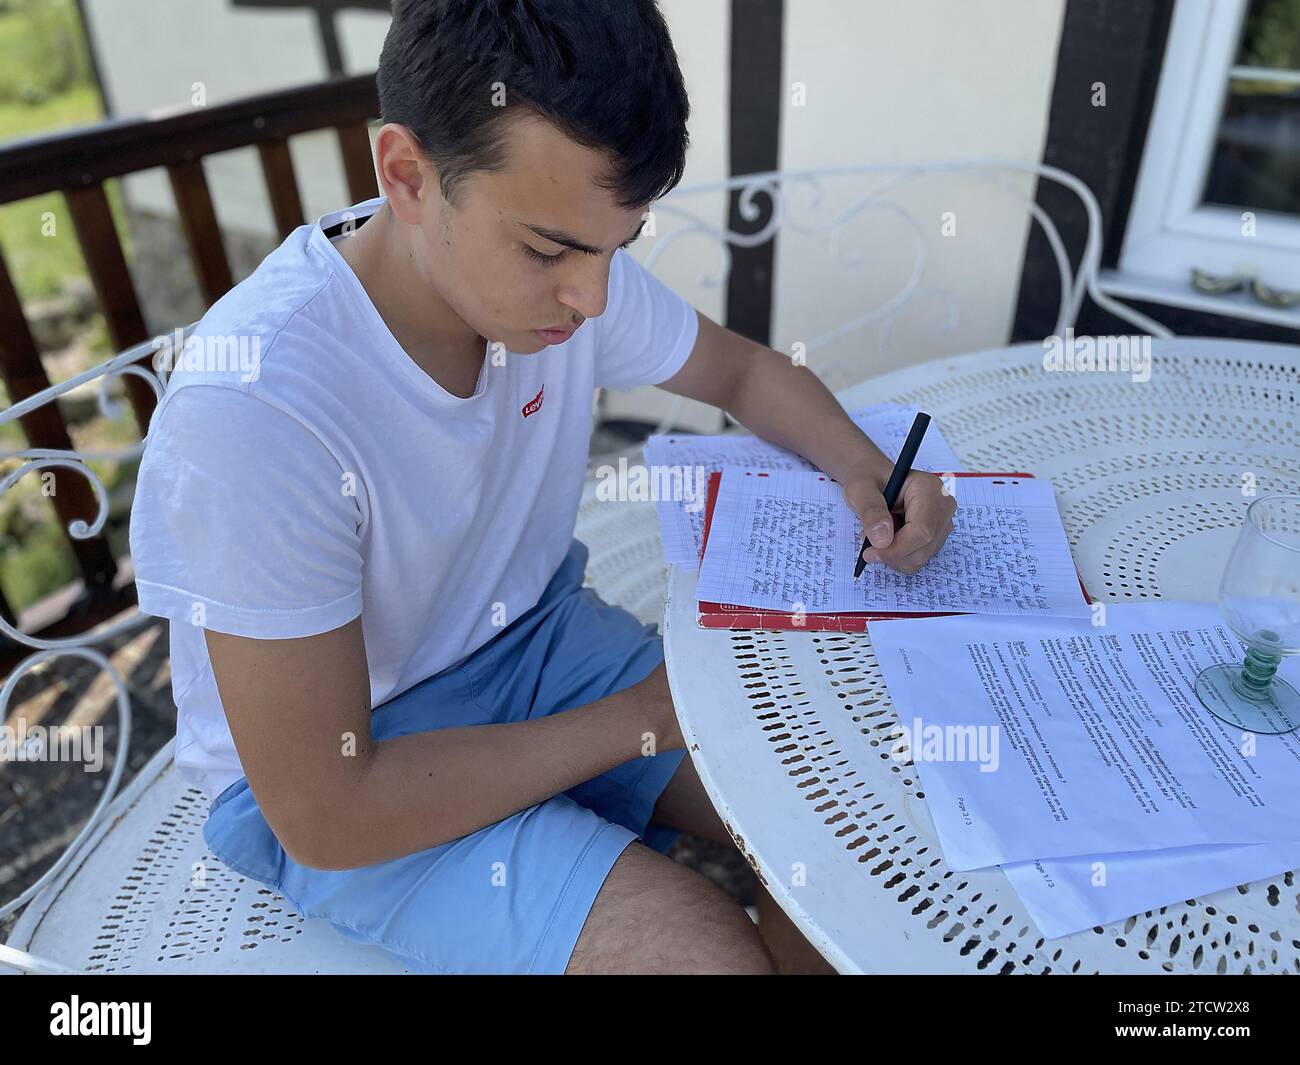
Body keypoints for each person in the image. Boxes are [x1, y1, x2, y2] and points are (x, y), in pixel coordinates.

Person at [128, 0, 956, 975]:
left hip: (534, 642)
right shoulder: (262, 407)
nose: (593, 298)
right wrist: (645, 716)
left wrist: (863, 468)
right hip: (346, 766)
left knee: (848, 826)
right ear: (406, 175)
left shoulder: (563, 273)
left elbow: (741, 375)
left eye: (620, 244)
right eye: (549, 249)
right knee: (703, 955)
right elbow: (325, 811)